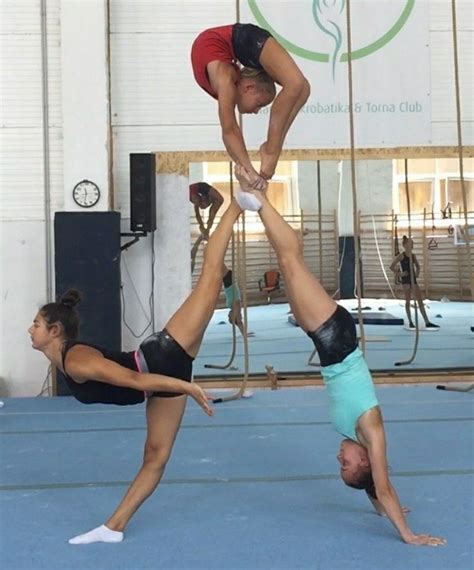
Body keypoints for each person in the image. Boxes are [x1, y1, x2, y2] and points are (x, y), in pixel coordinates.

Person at [233, 165, 446, 547]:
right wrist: (408, 534)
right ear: (365, 460)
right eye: (346, 464)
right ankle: (258, 198)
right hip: (337, 336)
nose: (338, 459)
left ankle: (257, 200)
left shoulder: (356, 438)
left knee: (288, 263)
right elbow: (382, 484)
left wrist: (379, 505)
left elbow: (374, 487)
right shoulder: (372, 432)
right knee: (293, 260)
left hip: (324, 342)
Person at [29, 199, 246, 545]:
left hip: (165, 354)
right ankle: (113, 527)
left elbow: (133, 379)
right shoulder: (64, 362)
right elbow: (140, 386)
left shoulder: (76, 360)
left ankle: (238, 204)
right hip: (159, 382)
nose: (31, 329)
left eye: (37, 324)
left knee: (210, 272)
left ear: (55, 331)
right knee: (155, 456)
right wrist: (180, 386)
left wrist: (187, 388)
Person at [191, 24, 310, 185]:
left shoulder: (226, 82)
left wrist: (248, 170)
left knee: (303, 89)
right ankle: (271, 149)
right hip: (241, 38)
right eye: (260, 104)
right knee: (296, 84)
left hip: (237, 43)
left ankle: (271, 148)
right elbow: (229, 130)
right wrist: (251, 172)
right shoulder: (225, 81)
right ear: (249, 87)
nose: (256, 111)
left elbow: (230, 132)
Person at [390, 236, 440, 330]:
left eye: (412, 244)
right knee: (408, 300)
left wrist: (417, 273)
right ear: (405, 245)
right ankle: (410, 321)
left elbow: (418, 266)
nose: (412, 245)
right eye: (410, 244)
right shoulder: (401, 256)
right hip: (406, 280)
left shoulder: (413, 256)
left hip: (413, 279)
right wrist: (400, 274)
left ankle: (427, 321)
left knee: (420, 300)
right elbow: (391, 266)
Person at [190, 182, 224, 272]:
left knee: (217, 203)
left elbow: (198, 215)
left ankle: (207, 230)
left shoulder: (197, 198)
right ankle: (207, 230)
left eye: (205, 206)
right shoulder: (195, 199)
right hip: (200, 189)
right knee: (216, 205)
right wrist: (202, 227)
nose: (204, 208)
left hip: (202, 187)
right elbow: (197, 215)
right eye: (203, 207)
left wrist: (203, 227)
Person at [222, 263, 255, 338]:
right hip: (229, 282)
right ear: (234, 316)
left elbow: (239, 323)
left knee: (218, 264)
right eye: (229, 317)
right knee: (218, 263)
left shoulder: (231, 307)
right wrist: (244, 333)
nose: (228, 316)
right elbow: (239, 323)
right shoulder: (236, 308)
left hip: (228, 283)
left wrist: (244, 333)